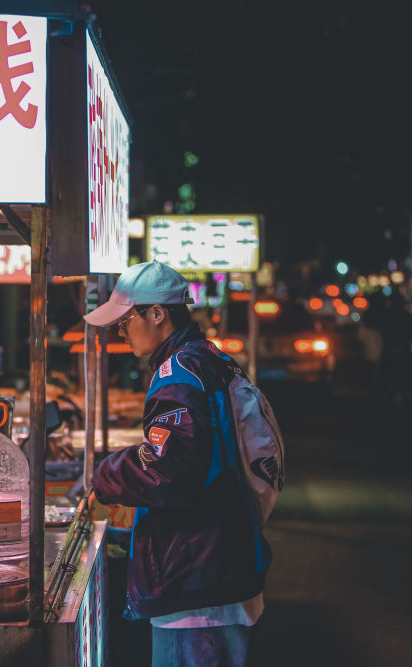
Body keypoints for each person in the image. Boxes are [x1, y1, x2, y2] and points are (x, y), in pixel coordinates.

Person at [84, 261, 270, 667]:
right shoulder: (207, 359)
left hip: (197, 578)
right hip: (217, 563)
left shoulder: (179, 374)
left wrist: (105, 474)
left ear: (157, 313)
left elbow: (165, 471)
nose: (120, 330)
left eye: (126, 319)